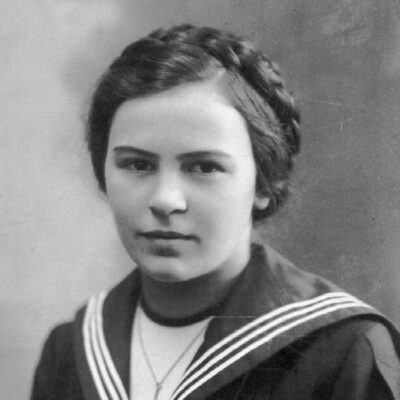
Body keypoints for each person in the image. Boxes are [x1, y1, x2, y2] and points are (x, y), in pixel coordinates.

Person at [31, 24, 400, 400]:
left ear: (263, 183)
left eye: (204, 167)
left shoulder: (343, 350)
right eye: (137, 165)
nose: (165, 200)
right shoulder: (69, 352)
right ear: (103, 173)